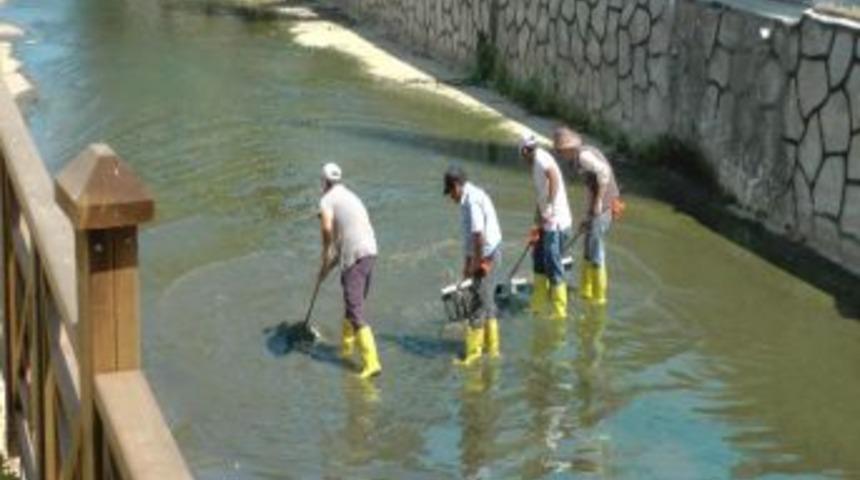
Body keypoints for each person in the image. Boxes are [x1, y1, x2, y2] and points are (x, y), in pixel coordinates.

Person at [318, 162, 381, 379]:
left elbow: (326, 228)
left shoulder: (327, 200)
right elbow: (342, 246)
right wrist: (326, 269)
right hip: (370, 252)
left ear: (324, 182)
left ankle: (372, 363)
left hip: (355, 256)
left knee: (355, 310)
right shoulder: (349, 196)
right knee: (352, 304)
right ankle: (346, 348)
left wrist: (324, 252)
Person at [553, 127, 620, 305]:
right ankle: (586, 291)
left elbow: (604, 172)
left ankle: (599, 297)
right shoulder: (577, 158)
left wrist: (598, 203)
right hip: (597, 207)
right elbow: (590, 187)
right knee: (588, 246)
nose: (560, 155)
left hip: (605, 206)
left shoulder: (583, 156)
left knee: (595, 248)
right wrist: (586, 215)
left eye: (560, 151)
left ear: (568, 149)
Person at [444, 165, 503, 365]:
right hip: (488, 253)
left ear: (456, 186)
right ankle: (492, 350)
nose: (450, 197)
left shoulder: (472, 201)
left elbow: (478, 235)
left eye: (450, 191)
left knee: (477, 305)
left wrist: (477, 265)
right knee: (487, 302)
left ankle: (473, 355)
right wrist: (467, 265)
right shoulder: (469, 198)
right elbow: (471, 239)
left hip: (487, 254)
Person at [519, 133, 573, 319]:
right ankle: (538, 304)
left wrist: (549, 207)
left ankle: (560, 311)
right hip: (546, 220)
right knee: (538, 258)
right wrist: (536, 222)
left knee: (553, 263)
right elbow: (540, 196)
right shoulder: (535, 162)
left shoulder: (541, 160)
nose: (522, 158)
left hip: (556, 222)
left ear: (525, 150)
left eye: (522, 154)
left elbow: (554, 178)